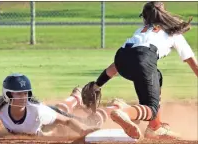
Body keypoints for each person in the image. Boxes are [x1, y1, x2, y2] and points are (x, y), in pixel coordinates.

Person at [81, 1, 198, 140]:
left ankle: (155, 127)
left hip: (122, 58)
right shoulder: (173, 33)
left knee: (157, 76)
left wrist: (97, 85)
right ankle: (124, 113)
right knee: (152, 109)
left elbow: (118, 64)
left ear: (144, 17)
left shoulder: (141, 31)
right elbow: (194, 65)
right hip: (143, 61)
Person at [0, 73, 99, 137]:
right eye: (18, 94)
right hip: (35, 126)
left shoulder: (37, 110)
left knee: (61, 110)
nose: (23, 97)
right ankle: (75, 97)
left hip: (45, 126)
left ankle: (75, 97)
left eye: (25, 93)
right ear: (7, 95)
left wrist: (83, 129)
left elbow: (67, 120)